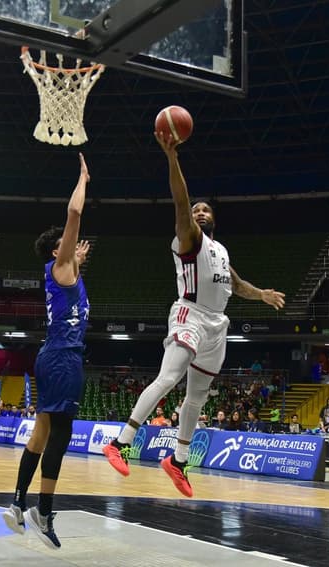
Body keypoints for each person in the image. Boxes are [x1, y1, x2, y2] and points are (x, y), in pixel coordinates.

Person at [103, 132, 285, 498]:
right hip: (190, 313)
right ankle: (121, 442)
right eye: (196, 209)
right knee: (169, 377)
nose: (199, 212)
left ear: (215, 218)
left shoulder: (221, 250)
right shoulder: (189, 237)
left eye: (206, 209)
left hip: (218, 325)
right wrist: (172, 158)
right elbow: (180, 200)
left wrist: (261, 294)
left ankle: (179, 460)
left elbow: (236, 284)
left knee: (197, 398)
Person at [2, 153, 91, 549]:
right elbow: (74, 213)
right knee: (61, 434)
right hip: (63, 359)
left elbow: (71, 260)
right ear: (58, 251)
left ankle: (19, 502)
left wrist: (76, 260)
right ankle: (44, 507)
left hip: (53, 356)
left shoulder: (64, 274)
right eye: (67, 246)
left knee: (41, 431)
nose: (72, 246)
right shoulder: (61, 267)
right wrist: (83, 180)